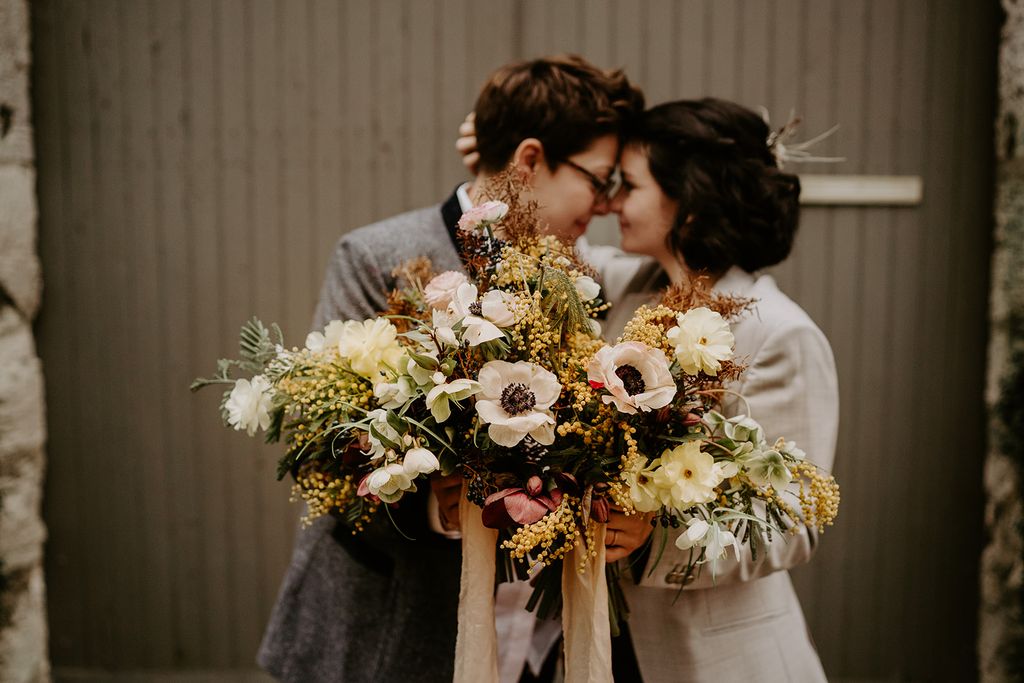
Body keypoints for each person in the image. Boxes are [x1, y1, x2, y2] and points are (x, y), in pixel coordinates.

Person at [256, 54, 643, 683]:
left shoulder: (589, 278)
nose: (603, 205)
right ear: (529, 159)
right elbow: (316, 441)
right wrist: (438, 508)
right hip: (388, 626)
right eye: (599, 180)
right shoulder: (376, 256)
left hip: (537, 642)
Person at [458, 97, 839, 682]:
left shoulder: (781, 335)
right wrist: (502, 164)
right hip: (599, 647)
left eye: (629, 186)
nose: (609, 204)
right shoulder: (623, 285)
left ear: (687, 202)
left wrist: (653, 538)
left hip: (712, 660)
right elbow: (528, 246)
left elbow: (795, 524)